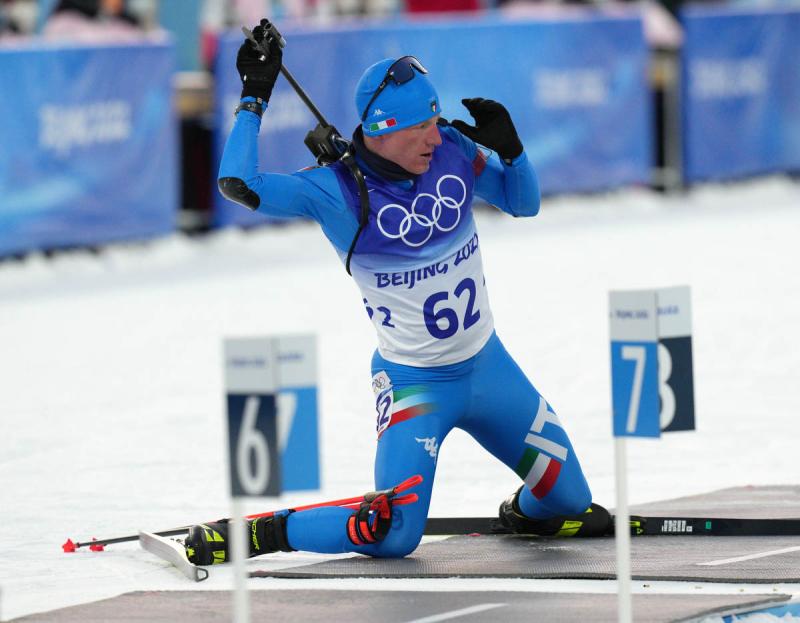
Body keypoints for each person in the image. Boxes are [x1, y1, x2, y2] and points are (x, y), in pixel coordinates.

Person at [184, 20, 610, 565]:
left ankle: (522, 514)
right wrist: (253, 98)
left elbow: (522, 203)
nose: (437, 135)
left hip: (488, 367)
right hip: (416, 386)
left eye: (437, 121)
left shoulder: (451, 150)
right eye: (423, 127)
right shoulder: (335, 191)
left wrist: (514, 152)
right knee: (393, 536)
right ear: (384, 128)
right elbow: (238, 185)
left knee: (569, 501)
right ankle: (268, 533)